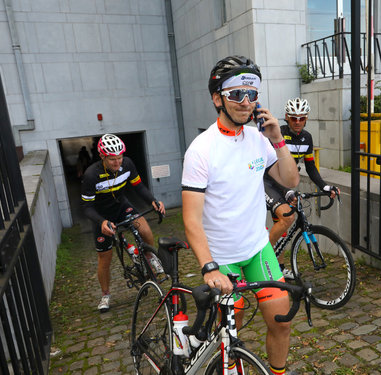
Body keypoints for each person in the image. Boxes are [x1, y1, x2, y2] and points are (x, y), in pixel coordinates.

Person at [182, 56, 299, 375]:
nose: (246, 102)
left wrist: (278, 139)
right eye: (236, 94)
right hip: (223, 260)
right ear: (217, 98)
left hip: (258, 251)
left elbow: (290, 180)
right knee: (230, 334)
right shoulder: (201, 149)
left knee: (282, 321)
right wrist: (208, 267)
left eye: (252, 94)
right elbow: (191, 219)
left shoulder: (260, 141)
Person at [81, 133, 166, 313]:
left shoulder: (127, 164)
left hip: (122, 207)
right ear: (103, 157)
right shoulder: (91, 175)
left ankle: (150, 258)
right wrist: (102, 222)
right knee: (105, 258)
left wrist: (153, 200)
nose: (117, 162)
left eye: (119, 157)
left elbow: (138, 186)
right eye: (112, 159)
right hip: (101, 215)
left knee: (144, 227)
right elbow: (86, 207)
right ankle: (105, 295)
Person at [264, 97, 339, 280]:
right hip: (267, 182)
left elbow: (311, 167)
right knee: (286, 217)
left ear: (306, 119)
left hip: (285, 185)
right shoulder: (278, 134)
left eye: (301, 118)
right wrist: (286, 190)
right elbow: (270, 166)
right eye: (293, 118)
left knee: (282, 227)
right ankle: (262, 258)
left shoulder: (307, 138)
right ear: (286, 118)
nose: (297, 122)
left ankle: (279, 269)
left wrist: (325, 185)